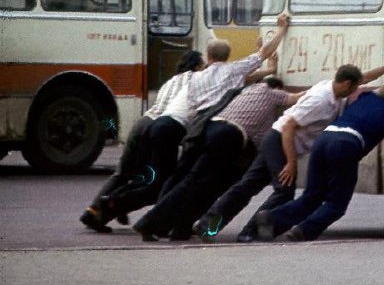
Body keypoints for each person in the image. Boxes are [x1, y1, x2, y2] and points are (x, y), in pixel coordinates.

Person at [192, 41, 384, 243]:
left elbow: (365, 78)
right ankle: (251, 233)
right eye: (355, 87)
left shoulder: (336, 90)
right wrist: (291, 163)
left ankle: (208, 225)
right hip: (279, 141)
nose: (357, 92)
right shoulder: (321, 99)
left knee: (246, 187)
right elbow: (288, 127)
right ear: (347, 84)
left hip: (277, 141)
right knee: (283, 191)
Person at [95, 14, 290, 225]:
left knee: (175, 177)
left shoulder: (197, 77)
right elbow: (262, 55)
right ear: (227, 56)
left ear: (208, 56)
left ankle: (147, 216)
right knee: (189, 181)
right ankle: (136, 212)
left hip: (187, 129)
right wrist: (280, 31)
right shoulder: (231, 72)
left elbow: (248, 72)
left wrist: (269, 68)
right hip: (204, 128)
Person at [253, 76, 384, 242]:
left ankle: (271, 218)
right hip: (346, 144)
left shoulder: (365, 97)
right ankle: (302, 232)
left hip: (323, 140)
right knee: (337, 204)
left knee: (312, 196)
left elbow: (383, 92)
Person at [131, 75, 305, 241]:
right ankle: (149, 223)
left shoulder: (247, 94)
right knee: (196, 185)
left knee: (199, 185)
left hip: (209, 130)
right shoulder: (267, 91)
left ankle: (180, 228)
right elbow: (296, 97)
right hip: (227, 137)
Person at [79, 49, 204, 233]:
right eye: (203, 65)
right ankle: (118, 206)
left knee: (123, 173)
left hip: (142, 123)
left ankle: (94, 211)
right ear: (198, 66)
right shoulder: (195, 80)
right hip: (158, 127)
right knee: (153, 181)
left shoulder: (170, 81)